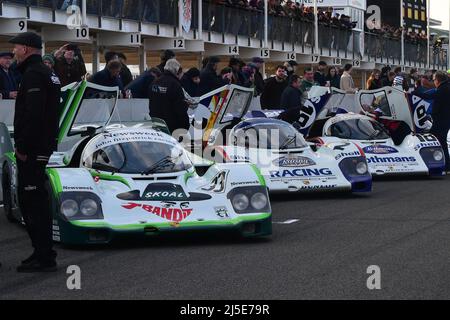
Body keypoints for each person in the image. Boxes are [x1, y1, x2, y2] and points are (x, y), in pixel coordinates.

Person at [9, 32, 61, 272]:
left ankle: (44, 256)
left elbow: (34, 116)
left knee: (32, 201)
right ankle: (42, 252)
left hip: (33, 149)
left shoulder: (34, 74)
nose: (13, 52)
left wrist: (23, 147)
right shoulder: (46, 72)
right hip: (42, 145)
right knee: (35, 199)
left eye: (16, 48)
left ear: (27, 49)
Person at [413, 71, 450, 171]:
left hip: (441, 120)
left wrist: (416, 93)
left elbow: (431, 97)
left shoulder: (442, 89)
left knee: (436, 140)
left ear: (438, 80)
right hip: (445, 120)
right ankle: (445, 165)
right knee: (441, 141)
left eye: (434, 80)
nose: (433, 82)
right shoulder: (446, 87)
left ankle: (440, 164)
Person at [149, 59, 189, 133]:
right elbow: (180, 109)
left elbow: (152, 103)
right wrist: (186, 126)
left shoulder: (154, 83)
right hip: (172, 127)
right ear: (177, 71)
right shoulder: (175, 85)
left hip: (157, 124)